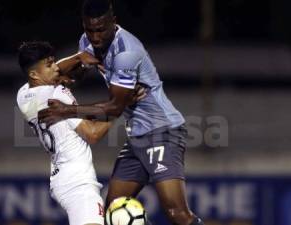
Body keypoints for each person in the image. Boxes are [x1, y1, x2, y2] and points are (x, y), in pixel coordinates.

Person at [37, 0, 205, 225]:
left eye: (100, 30)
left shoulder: (126, 52)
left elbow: (116, 106)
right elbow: (68, 75)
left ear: (113, 23)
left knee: (177, 215)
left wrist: (67, 110)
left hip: (162, 132)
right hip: (137, 137)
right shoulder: (88, 42)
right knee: (112, 215)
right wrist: (78, 60)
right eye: (89, 30)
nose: (95, 37)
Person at [16, 41, 111, 225]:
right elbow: (92, 134)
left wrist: (79, 58)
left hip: (61, 177)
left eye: (53, 62)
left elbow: (59, 69)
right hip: (78, 183)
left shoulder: (22, 95)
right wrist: (120, 105)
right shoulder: (56, 94)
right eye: (49, 65)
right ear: (34, 74)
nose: (56, 69)